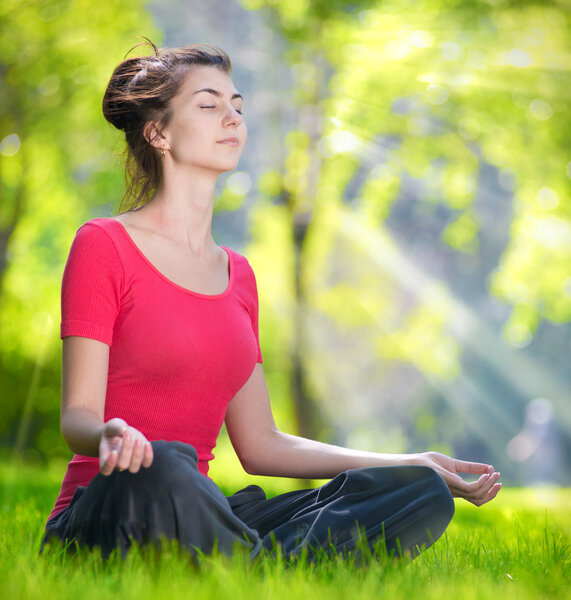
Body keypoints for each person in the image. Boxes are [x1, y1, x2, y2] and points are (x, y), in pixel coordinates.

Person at [42, 42, 501, 562]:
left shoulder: (238, 276)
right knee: (168, 464)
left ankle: (247, 561)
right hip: (111, 508)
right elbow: (76, 418)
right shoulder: (104, 245)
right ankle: (263, 563)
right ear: (158, 132)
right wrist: (112, 432)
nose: (233, 117)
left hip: (199, 514)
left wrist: (410, 461)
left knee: (416, 492)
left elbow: (261, 445)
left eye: (238, 105)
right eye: (209, 104)